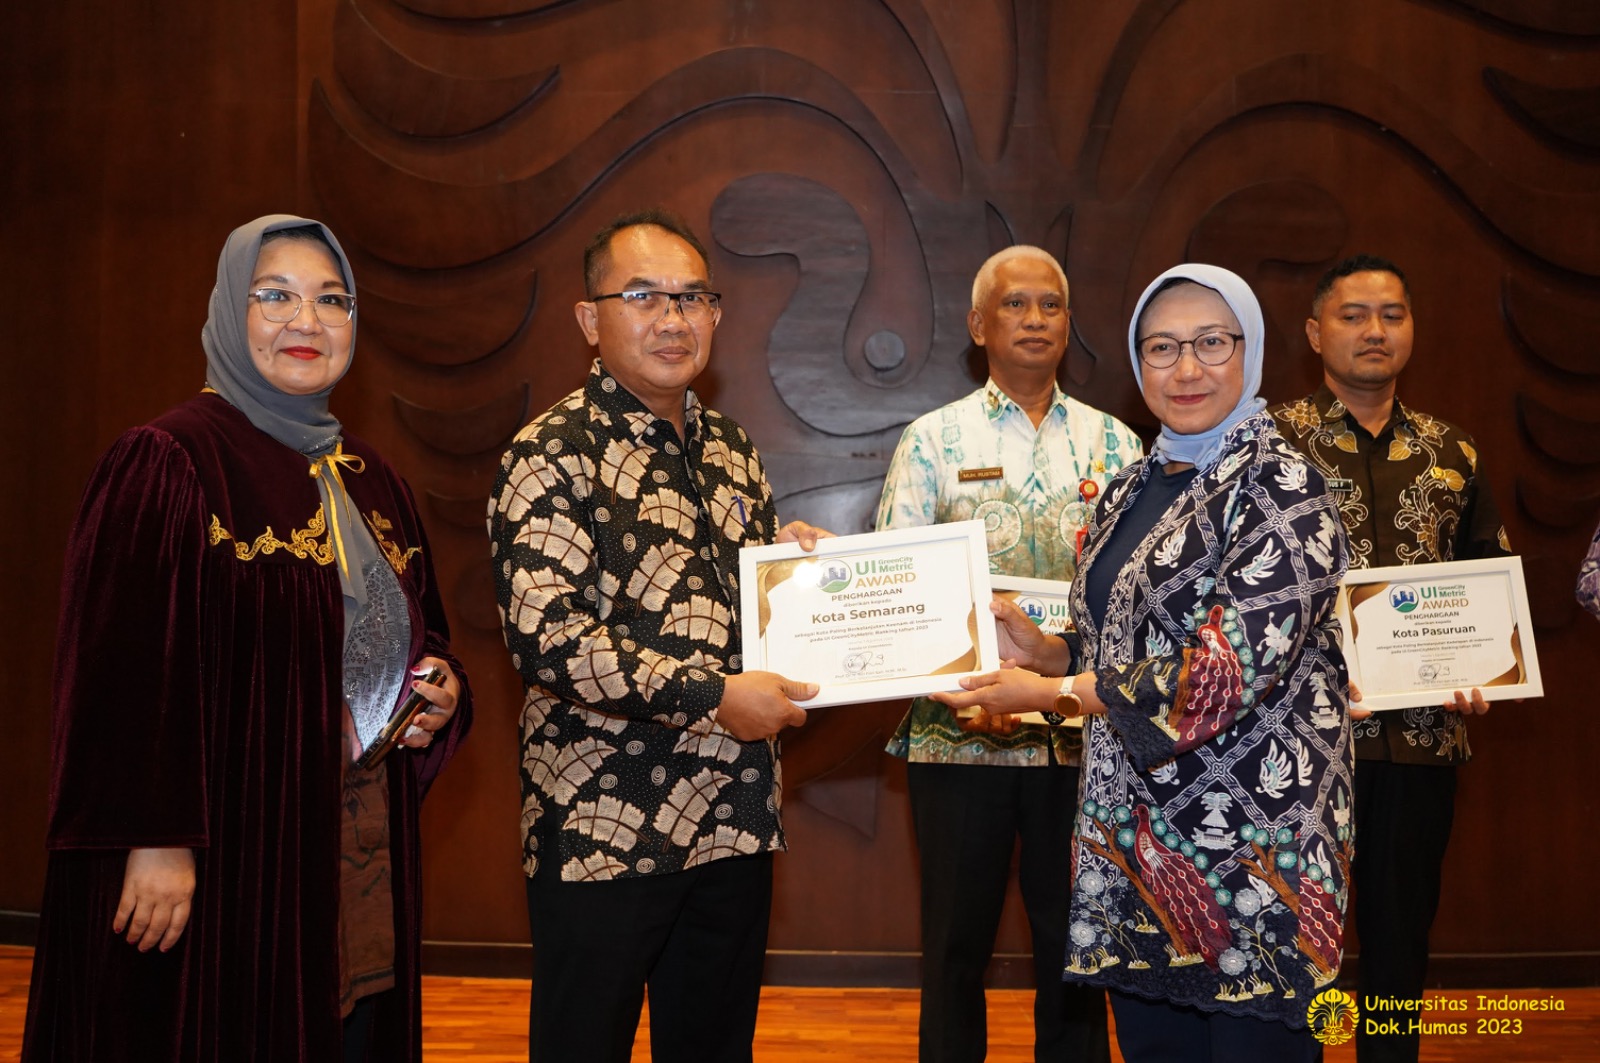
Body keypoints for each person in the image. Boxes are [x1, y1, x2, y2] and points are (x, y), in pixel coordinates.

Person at [23, 215, 471, 1062]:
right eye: (276, 296)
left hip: (351, 853)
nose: (307, 321)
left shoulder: (375, 480)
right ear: (231, 309)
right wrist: (156, 839)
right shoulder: (171, 459)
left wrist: (440, 691)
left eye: (331, 300)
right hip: (224, 859)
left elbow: (424, 632)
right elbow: (114, 674)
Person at [934, 264, 1352, 1061]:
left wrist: (1056, 690)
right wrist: (1049, 647)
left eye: (1210, 343)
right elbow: (1121, 643)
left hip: (1252, 860)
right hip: (1139, 858)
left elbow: (1226, 670)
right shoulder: (1131, 486)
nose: (1186, 369)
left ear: (1251, 349)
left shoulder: (1287, 486)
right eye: (1161, 348)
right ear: (1135, 359)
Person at [487, 208, 829, 1063]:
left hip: (732, 818)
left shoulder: (733, 452)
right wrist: (716, 696)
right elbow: (549, 638)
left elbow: (739, 615)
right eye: (642, 295)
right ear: (588, 319)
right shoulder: (548, 453)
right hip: (602, 825)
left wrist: (804, 583)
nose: (672, 319)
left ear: (715, 314)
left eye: (692, 297)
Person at [875, 246, 1137, 1062]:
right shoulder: (931, 439)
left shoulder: (1118, 444)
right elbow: (896, 582)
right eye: (1015, 305)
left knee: (1078, 945)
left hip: (1080, 735)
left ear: (1069, 323)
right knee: (954, 945)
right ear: (978, 324)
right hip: (960, 734)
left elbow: (1137, 598)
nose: (1033, 319)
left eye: (1050, 305)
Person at [1271, 254, 1507, 1063]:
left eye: (1393, 314)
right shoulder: (1269, 446)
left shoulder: (1455, 454)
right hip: (1297, 750)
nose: (1376, 330)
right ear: (1314, 332)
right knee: (1299, 945)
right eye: (1353, 314)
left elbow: (1488, 583)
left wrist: (1489, 671)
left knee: (1400, 947)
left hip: (1420, 739)